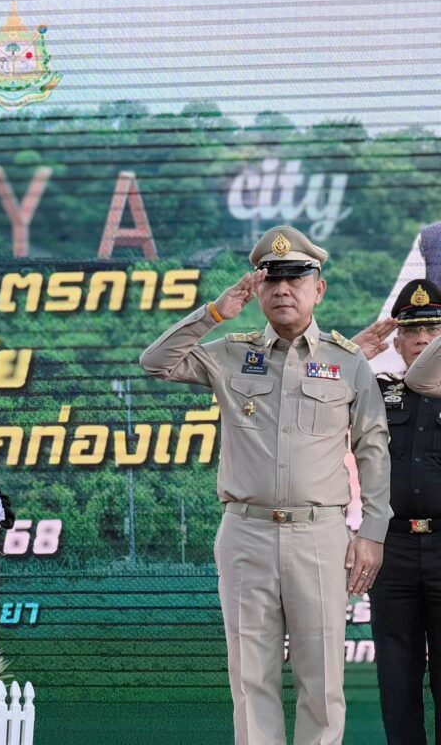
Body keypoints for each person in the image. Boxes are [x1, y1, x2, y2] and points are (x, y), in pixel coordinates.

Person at [139, 224, 391, 745]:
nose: (283, 290)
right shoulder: (230, 352)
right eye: (271, 279)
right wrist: (213, 314)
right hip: (246, 534)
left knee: (322, 683)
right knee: (251, 680)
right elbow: (156, 363)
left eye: (295, 278)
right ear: (258, 290)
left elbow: (373, 447)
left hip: (320, 536)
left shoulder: (347, 361)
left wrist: (372, 531)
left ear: (318, 289)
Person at [351, 278, 441, 744]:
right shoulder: (375, 392)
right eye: (412, 331)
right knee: (396, 676)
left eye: (433, 330)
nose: (422, 340)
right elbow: (315, 388)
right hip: (393, 547)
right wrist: (353, 354)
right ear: (398, 341)